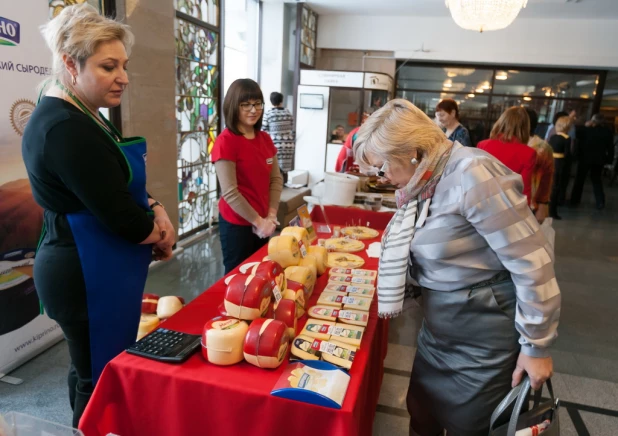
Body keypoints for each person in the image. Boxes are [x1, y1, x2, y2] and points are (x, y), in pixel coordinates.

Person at [353, 99, 560, 436]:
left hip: (483, 339)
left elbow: (532, 261)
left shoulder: (472, 173)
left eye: (382, 168)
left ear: (414, 152)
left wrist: (536, 346)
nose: (382, 178)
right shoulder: (424, 180)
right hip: (438, 331)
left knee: (470, 427)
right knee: (422, 415)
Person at [21, 4, 176, 427]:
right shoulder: (64, 127)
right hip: (83, 273)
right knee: (97, 378)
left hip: (94, 265)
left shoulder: (79, 112)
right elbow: (123, 218)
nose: (123, 77)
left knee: (89, 370)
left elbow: (116, 186)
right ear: (71, 64)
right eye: (108, 66)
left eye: (123, 65)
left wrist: (157, 207)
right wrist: (158, 233)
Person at [212, 79, 283, 273]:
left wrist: (271, 215)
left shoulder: (264, 139)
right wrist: (259, 222)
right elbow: (230, 192)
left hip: (264, 221)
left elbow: (276, 179)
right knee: (237, 277)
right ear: (233, 106)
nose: (253, 110)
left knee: (259, 274)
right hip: (238, 224)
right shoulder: (226, 141)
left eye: (257, 103)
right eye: (246, 105)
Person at [478, 107, 537, 202]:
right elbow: (525, 189)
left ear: (501, 122)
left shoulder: (483, 145)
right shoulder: (528, 153)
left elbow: (476, 177)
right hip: (509, 206)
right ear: (525, 128)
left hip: (482, 202)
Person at [570, 114, 614, 210]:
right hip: (599, 160)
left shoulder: (585, 130)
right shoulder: (607, 132)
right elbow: (610, 148)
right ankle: (600, 202)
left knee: (579, 180)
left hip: (584, 158)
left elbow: (576, 140)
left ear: (592, 121)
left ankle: (574, 200)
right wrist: (609, 161)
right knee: (597, 180)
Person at [526, 109, 554, 224]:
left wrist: (543, 204)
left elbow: (546, 178)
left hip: (530, 205)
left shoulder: (541, 147)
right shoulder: (503, 143)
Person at [262, 92, 295, 174]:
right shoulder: (288, 113)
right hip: (288, 144)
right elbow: (291, 127)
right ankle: (284, 183)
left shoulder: (269, 113)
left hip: (275, 144)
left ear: (271, 101)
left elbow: (263, 130)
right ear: (281, 101)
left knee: (274, 170)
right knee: (284, 170)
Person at [548, 116, 573, 219]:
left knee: (550, 186)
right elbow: (567, 154)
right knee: (557, 187)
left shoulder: (553, 137)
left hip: (551, 162)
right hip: (561, 165)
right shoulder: (567, 139)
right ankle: (553, 211)